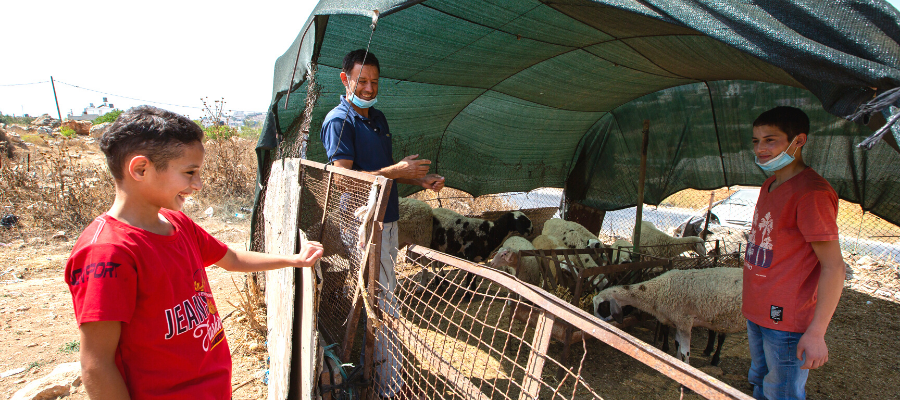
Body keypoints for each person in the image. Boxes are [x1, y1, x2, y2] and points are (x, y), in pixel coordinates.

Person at [66, 106, 324, 400]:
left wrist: (294, 260)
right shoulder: (108, 253)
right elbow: (96, 364)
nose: (198, 184)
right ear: (140, 169)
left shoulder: (177, 224)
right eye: (189, 172)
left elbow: (232, 259)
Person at [320, 49, 444, 400]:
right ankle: (390, 387)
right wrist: (396, 171)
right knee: (384, 304)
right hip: (362, 225)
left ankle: (373, 372)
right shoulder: (338, 120)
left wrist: (416, 180)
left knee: (381, 299)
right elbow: (344, 179)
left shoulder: (378, 119)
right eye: (362, 81)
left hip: (387, 219)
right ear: (345, 79)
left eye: (375, 82)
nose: (370, 88)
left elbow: (384, 173)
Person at [744, 106, 845, 400]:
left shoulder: (812, 194)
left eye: (770, 140)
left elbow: (834, 267)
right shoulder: (770, 184)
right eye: (756, 141)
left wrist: (816, 332)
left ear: (798, 141)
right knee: (760, 383)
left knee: (783, 392)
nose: (760, 149)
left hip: (786, 321)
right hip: (758, 310)